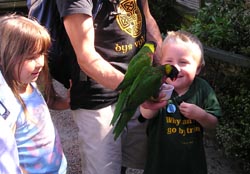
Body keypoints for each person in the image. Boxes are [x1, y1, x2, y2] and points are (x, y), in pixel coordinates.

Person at [47, 0, 162, 173]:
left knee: (129, 160)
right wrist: (136, 91)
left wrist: (162, 65)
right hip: (97, 96)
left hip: (135, 88)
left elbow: (146, 16)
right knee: (104, 169)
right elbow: (86, 57)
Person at [140, 30, 222, 174]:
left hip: (191, 165)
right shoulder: (156, 85)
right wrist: (153, 103)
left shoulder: (202, 89)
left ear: (198, 69)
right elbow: (146, 114)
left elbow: (213, 123)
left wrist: (200, 115)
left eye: (183, 62)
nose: (175, 68)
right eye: (168, 62)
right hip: (159, 164)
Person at [0, 14, 67, 174]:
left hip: (57, 167)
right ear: (3, 57)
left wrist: (67, 102)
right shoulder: (6, 102)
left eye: (42, 54)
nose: (40, 63)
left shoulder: (28, 81)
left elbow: (46, 103)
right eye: (31, 57)